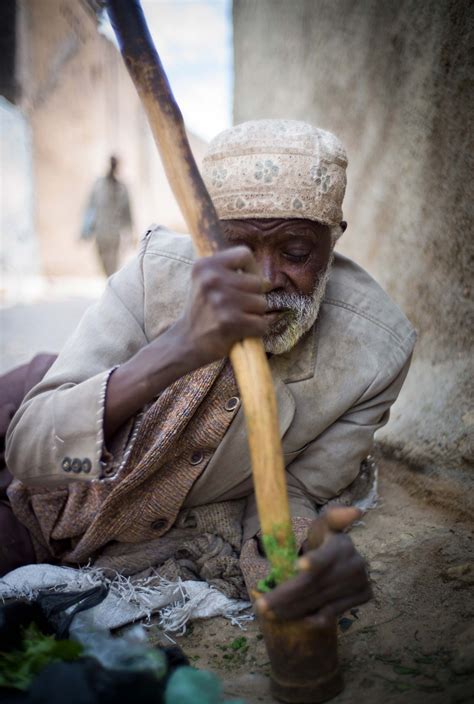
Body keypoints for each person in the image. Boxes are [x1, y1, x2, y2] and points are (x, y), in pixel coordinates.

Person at [5, 120, 416, 624]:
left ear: (334, 240)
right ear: (205, 236)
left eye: (295, 253)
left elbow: (296, 491)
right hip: (29, 409)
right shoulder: (153, 272)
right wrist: (180, 347)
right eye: (237, 249)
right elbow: (28, 450)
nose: (265, 280)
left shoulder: (377, 352)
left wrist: (296, 554)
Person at [81, 155, 134, 276]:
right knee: (103, 261)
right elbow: (90, 208)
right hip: (100, 231)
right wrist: (86, 230)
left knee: (113, 263)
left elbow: (128, 213)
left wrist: (129, 232)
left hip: (114, 233)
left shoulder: (122, 188)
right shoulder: (98, 185)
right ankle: (109, 280)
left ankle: (110, 283)